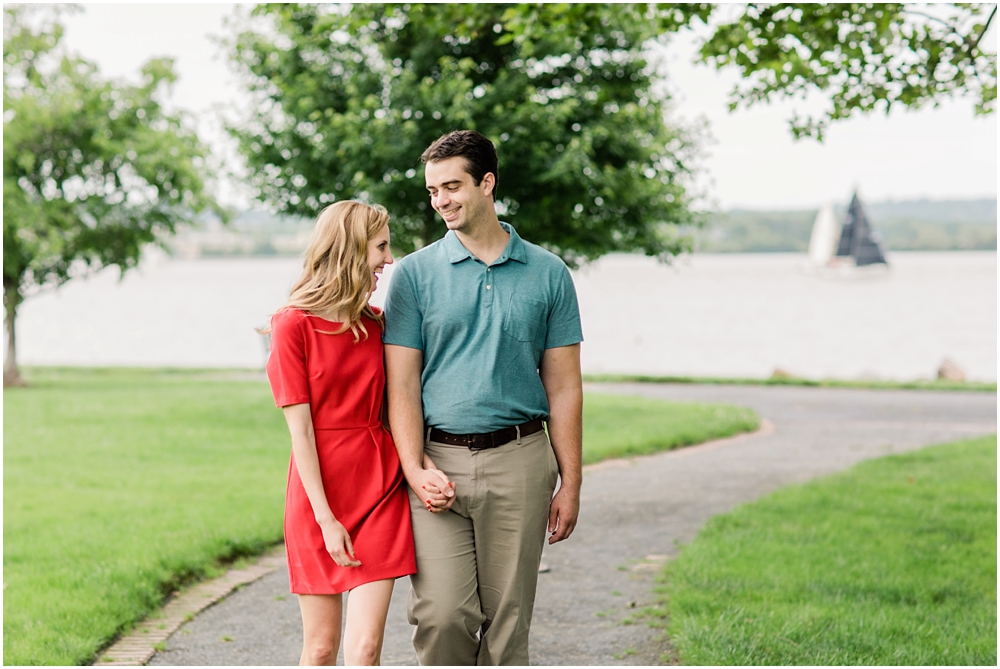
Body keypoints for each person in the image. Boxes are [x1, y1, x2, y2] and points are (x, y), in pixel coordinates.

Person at [383, 130, 584, 665]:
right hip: (437, 463)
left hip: (520, 460)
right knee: (442, 615)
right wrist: (414, 468)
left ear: (487, 183)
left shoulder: (549, 273)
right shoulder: (413, 275)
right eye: (432, 191)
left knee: (508, 621)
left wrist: (572, 481)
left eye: (452, 186)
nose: (441, 200)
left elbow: (564, 386)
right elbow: (400, 385)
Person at [264, 200, 419, 666]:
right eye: (382, 247)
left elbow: (403, 403)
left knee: (366, 649)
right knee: (320, 648)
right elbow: (302, 434)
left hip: (380, 488)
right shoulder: (292, 325)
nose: (389, 260)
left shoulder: (377, 325)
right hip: (318, 498)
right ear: (352, 248)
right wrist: (326, 519)